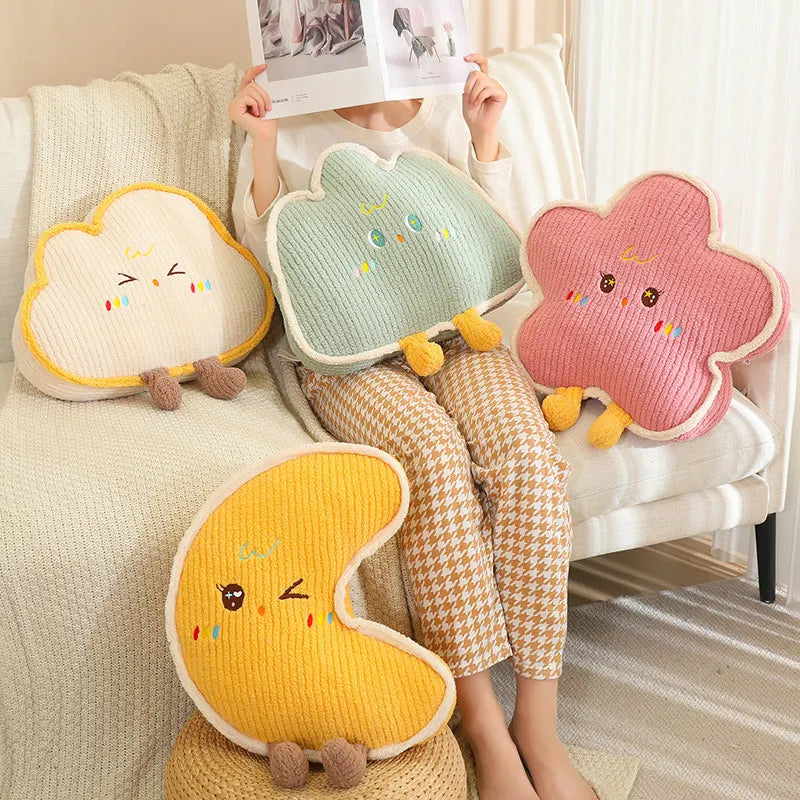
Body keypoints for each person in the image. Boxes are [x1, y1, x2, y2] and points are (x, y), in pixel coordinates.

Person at [229, 59, 597, 800]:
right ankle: (485, 728)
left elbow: (496, 247)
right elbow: (270, 253)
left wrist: (484, 133)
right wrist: (263, 144)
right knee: (432, 456)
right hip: (351, 356)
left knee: (526, 453)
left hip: (461, 331)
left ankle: (539, 726)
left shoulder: (441, 102)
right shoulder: (288, 111)